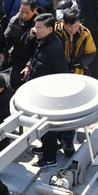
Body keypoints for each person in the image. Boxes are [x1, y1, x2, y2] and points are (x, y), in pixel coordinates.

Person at [21, 13, 69, 168]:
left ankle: (50, 158)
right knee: (43, 128)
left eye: (39, 28)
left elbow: (61, 72)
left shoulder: (54, 47)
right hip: (39, 89)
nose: (36, 30)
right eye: (35, 27)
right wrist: (29, 66)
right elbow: (33, 55)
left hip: (48, 94)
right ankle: (46, 149)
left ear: (50, 29)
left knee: (46, 127)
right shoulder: (42, 40)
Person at [54, 8, 96, 156]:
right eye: (70, 26)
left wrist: (80, 63)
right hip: (58, 76)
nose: (73, 30)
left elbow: (91, 52)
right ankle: (58, 137)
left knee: (71, 110)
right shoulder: (55, 30)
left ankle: (68, 141)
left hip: (76, 75)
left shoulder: (85, 33)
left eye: (76, 26)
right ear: (63, 23)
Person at [2, 0, 38, 90]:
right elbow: (6, 39)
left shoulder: (39, 25)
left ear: (34, 11)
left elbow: (39, 49)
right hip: (17, 57)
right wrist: (2, 51)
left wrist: (29, 65)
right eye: (21, 12)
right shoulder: (15, 21)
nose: (24, 15)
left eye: (27, 12)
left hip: (33, 60)